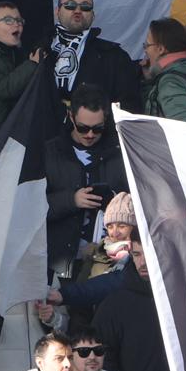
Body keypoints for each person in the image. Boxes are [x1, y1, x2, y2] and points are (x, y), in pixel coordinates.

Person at [44, 85, 129, 274]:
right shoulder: (51, 152)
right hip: (60, 261)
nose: (90, 135)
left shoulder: (120, 151)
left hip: (109, 261)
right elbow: (30, 207)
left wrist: (116, 201)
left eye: (97, 129)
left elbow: (138, 202)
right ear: (71, 117)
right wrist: (71, 200)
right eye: (83, 128)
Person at [44, 0, 142, 114]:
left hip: (92, 132)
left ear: (93, 16)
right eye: (70, 5)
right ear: (57, 12)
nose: (77, 11)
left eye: (85, 7)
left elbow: (129, 107)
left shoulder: (114, 56)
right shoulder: (38, 49)